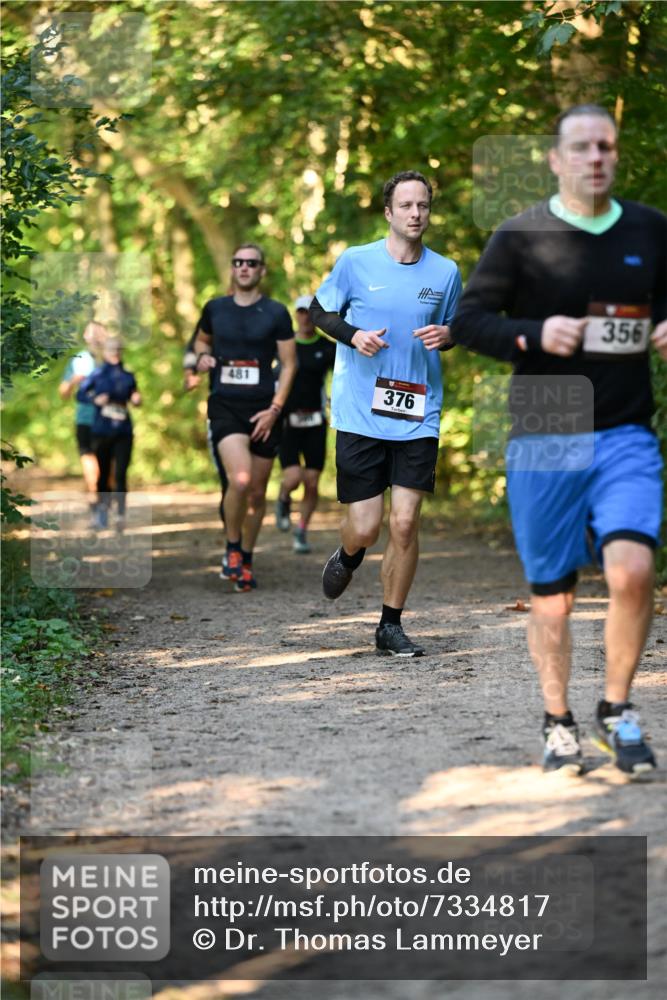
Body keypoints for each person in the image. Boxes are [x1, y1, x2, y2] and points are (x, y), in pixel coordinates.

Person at [451, 104, 666, 776]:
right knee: (552, 594)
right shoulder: (518, 237)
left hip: (625, 427)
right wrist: (532, 333)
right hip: (545, 425)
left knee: (631, 572)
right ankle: (556, 719)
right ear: (555, 158)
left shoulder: (649, 229)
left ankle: (614, 709)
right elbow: (467, 321)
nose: (594, 156)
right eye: (580, 146)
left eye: (604, 145)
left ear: (615, 153)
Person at [310, 170, 462, 656]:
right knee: (367, 526)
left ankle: (390, 624)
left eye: (423, 206)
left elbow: (458, 325)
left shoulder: (446, 272)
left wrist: (451, 336)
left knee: (404, 523)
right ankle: (349, 553)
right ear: (388, 213)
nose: (416, 214)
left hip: (420, 410)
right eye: (407, 206)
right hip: (360, 413)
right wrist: (353, 335)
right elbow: (318, 312)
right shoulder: (356, 263)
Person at [193, 243, 297, 592]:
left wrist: (275, 410)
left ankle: (247, 558)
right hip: (225, 406)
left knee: (256, 492)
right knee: (239, 480)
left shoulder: (276, 312)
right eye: (238, 262)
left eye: (251, 263)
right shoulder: (215, 308)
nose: (244, 268)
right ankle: (233, 547)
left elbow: (290, 364)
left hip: (264, 409)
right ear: (232, 269)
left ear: (262, 270)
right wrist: (202, 359)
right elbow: (200, 344)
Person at [275, 294, 336, 553]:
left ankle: (301, 530)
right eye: (301, 311)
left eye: (311, 311)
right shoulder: (283, 345)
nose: (305, 317)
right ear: (295, 315)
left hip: (315, 421)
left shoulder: (328, 347)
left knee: (311, 482)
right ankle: (283, 497)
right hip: (287, 421)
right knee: (293, 477)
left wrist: (337, 400)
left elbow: (345, 376)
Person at [77, 337, 141, 531]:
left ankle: (120, 515)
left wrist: (136, 399)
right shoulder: (96, 374)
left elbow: (135, 395)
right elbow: (80, 394)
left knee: (121, 474)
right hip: (101, 431)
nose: (115, 353)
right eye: (112, 350)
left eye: (118, 350)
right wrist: (95, 399)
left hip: (123, 431)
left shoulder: (128, 376)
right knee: (103, 475)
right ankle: (102, 514)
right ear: (104, 352)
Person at [59, 321, 107, 518]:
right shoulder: (78, 359)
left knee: (107, 466)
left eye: (98, 333)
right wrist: (73, 381)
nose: (93, 337)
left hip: (109, 421)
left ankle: (104, 502)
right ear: (85, 337)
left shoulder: (111, 358)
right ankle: (95, 500)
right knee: (90, 463)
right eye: (90, 333)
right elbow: (63, 392)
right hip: (85, 418)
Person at [183, 330, 228, 527]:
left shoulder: (267, 312)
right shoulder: (215, 314)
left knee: (253, 485)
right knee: (231, 479)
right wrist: (190, 373)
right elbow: (194, 348)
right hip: (223, 410)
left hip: (260, 409)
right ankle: (233, 541)